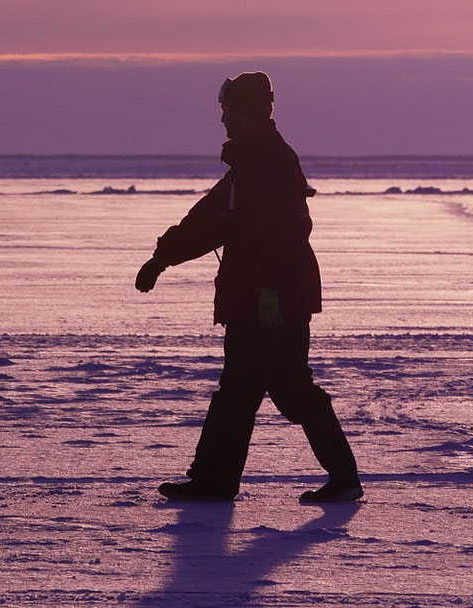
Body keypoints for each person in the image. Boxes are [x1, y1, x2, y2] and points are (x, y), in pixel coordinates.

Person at [135, 72, 363, 504]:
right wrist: (162, 258)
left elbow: (281, 234)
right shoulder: (249, 163)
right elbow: (209, 220)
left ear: (248, 111)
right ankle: (223, 481)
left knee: (259, 390)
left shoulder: (271, 161)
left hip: (270, 303)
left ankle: (221, 481)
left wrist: (271, 293)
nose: (222, 119)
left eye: (228, 110)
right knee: (266, 390)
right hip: (260, 299)